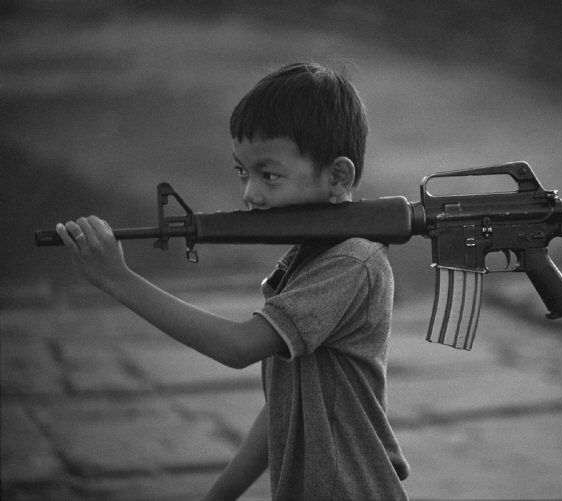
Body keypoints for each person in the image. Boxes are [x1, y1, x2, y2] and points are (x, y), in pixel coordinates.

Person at [55, 62, 410, 500]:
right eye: (243, 172)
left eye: (269, 175)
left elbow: (238, 347)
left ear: (338, 177)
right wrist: (222, 493)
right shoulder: (313, 254)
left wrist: (118, 279)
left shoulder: (352, 262)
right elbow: (288, 403)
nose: (250, 194)